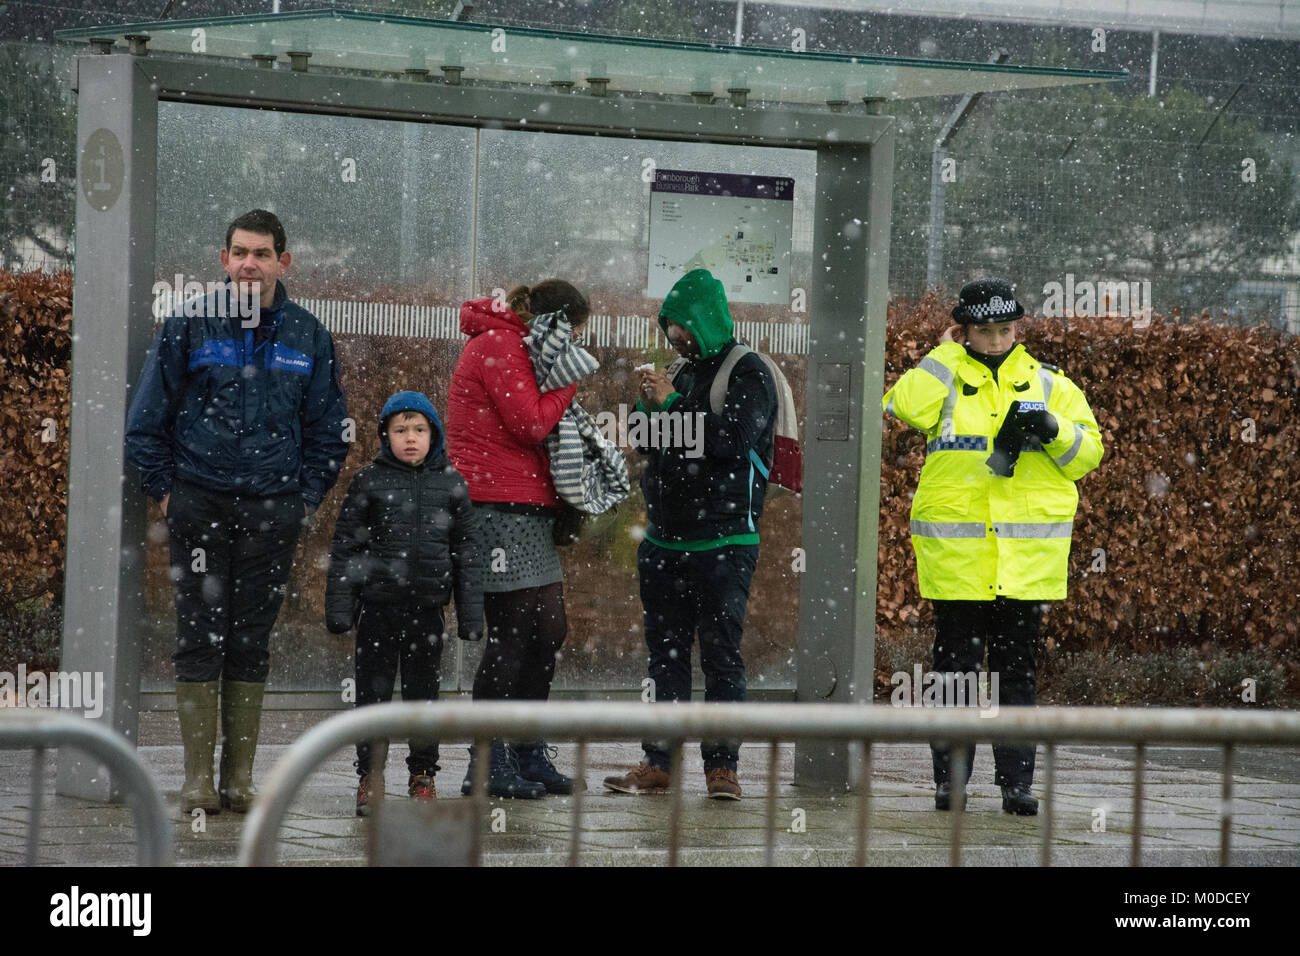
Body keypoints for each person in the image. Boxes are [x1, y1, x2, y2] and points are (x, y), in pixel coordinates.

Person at [125, 209, 349, 814]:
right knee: (198, 637)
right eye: (240, 252)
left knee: (251, 640)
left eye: (262, 253)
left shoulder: (308, 335)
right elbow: (146, 424)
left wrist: (303, 500)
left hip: (274, 512)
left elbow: (331, 430)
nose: (250, 263)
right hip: (199, 503)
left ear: (284, 261)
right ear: (223, 260)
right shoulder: (188, 327)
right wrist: (168, 491)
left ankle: (239, 779)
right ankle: (198, 779)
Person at [882, 277, 1103, 815]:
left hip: (1025, 562)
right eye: (985, 332)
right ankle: (950, 782)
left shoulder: (1050, 384)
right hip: (960, 558)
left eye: (1006, 330)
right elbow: (903, 405)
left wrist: (1052, 429)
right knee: (954, 675)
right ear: (965, 331)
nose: (998, 340)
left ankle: (1016, 785)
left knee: (1015, 675)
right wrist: (944, 352)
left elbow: (1088, 454)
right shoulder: (946, 372)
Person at [602, 268, 776, 801]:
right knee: (665, 657)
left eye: (683, 327)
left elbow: (730, 439)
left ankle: (721, 766)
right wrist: (648, 408)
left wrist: (674, 401)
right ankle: (659, 761)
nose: (675, 338)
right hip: (664, 541)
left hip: (725, 540)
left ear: (705, 319)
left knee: (721, 654)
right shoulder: (677, 370)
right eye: (670, 328)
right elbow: (645, 442)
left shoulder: (749, 372)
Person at [444, 280, 589, 799]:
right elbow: (529, 424)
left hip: (526, 508)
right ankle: (487, 760)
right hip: (493, 505)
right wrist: (569, 383)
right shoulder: (498, 346)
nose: (570, 344)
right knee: (513, 634)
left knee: (548, 629)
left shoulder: (518, 346)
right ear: (551, 321)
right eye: (570, 332)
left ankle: (526, 750)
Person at [325, 391, 483, 815]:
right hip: (378, 608)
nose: (410, 438)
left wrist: (471, 614)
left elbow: (467, 552)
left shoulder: (451, 483)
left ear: (434, 434)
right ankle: (370, 776)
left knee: (423, 698)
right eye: (400, 430)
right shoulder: (369, 481)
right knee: (372, 697)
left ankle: (423, 774)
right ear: (384, 435)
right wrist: (342, 606)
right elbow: (346, 547)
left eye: (418, 429)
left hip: (427, 611)